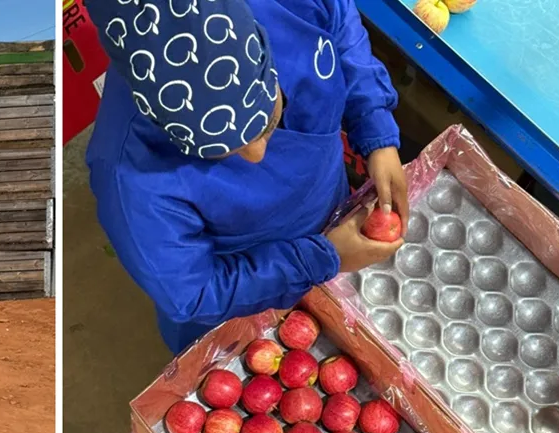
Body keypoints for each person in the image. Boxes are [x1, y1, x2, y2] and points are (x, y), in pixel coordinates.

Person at [86, 0, 409, 354]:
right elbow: (192, 292)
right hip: (249, 290)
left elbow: (340, 23)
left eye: (267, 124)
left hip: (330, 205)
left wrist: (374, 123)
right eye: (222, 154)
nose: (256, 156)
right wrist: (321, 257)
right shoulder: (129, 176)